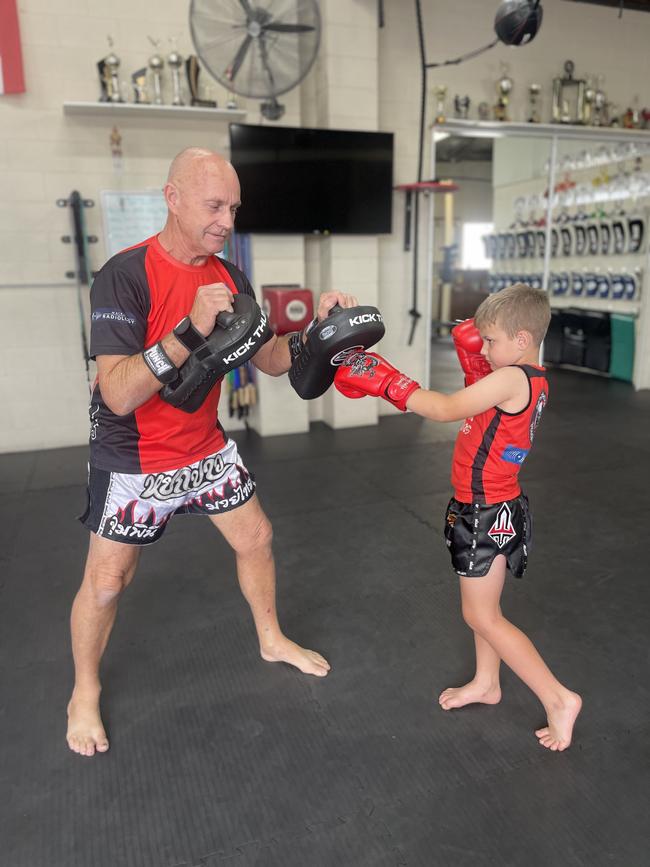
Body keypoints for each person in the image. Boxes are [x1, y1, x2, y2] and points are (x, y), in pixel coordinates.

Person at [67, 147, 358, 757]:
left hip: (202, 447)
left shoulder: (230, 276)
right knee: (107, 582)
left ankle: (271, 638)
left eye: (234, 207)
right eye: (214, 205)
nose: (227, 220)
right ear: (171, 197)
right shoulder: (124, 275)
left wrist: (314, 333)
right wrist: (188, 331)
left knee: (256, 538)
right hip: (134, 458)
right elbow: (117, 394)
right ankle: (84, 690)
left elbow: (271, 359)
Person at [334, 284, 582, 751]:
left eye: (491, 342)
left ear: (523, 339)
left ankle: (558, 697)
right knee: (485, 613)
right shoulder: (532, 378)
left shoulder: (510, 379)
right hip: (496, 507)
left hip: (487, 514)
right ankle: (488, 682)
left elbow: (446, 409)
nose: (483, 349)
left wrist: (383, 378)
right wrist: (479, 362)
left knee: (481, 616)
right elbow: (483, 412)